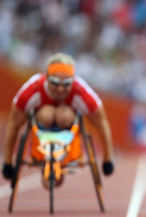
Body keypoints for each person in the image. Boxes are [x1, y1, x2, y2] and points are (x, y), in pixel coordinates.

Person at [2, 52, 115, 184]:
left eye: (66, 83)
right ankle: (47, 158)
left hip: (69, 138)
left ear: (73, 80)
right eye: (55, 83)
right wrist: (8, 161)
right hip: (41, 137)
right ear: (46, 77)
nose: (60, 89)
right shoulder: (32, 90)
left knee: (64, 114)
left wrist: (108, 159)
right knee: (47, 114)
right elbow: (13, 123)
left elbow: (101, 123)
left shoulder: (81, 92)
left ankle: (61, 156)